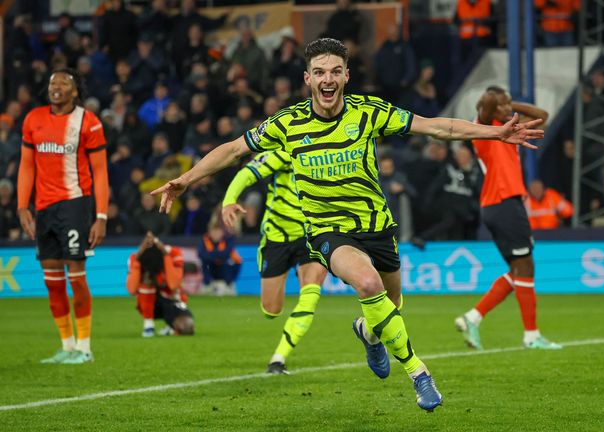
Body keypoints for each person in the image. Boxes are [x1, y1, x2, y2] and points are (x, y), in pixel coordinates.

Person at [152, 38, 543, 411]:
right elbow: (234, 149)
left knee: (391, 307)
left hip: (377, 228)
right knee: (368, 284)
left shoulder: (368, 112)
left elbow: (439, 127)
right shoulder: (287, 124)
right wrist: (186, 180)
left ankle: (369, 332)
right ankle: (419, 373)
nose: (327, 79)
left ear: (345, 76)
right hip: (328, 232)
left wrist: (497, 132)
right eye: (319, 72)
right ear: (307, 79)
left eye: (335, 71)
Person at [454, 86, 561, 351]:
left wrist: (511, 104)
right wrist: (494, 101)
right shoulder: (485, 126)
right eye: (500, 106)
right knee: (525, 267)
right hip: (503, 202)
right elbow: (485, 108)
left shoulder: (507, 127)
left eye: (506, 105)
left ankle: (473, 318)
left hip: (503, 204)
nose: (505, 109)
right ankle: (532, 335)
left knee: (519, 270)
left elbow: (543, 115)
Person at [16, 68, 109, 364]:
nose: (55, 86)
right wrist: (22, 205)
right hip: (43, 208)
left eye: (63, 83)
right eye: (52, 82)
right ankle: (66, 346)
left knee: (77, 277)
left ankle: (84, 347)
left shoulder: (88, 122)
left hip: (74, 205)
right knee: (52, 280)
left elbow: (101, 171)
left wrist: (102, 216)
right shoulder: (33, 119)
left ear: (75, 92)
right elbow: (27, 166)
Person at [221, 151, 328, 374]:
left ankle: (278, 358)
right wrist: (229, 200)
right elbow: (247, 173)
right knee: (271, 310)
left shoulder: (329, 153)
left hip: (311, 235)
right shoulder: (283, 152)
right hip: (276, 237)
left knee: (311, 291)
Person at [127, 232, 194, 337]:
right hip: (150, 302)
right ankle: (148, 325)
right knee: (146, 284)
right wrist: (139, 258)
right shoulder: (136, 258)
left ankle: (171, 325)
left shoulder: (174, 254)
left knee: (186, 327)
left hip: (172, 299)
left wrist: (166, 256)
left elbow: (173, 284)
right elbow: (131, 290)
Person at [198, 224, 242, 295]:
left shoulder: (228, 239)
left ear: (222, 232)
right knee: (205, 263)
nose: (215, 234)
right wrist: (217, 256)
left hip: (225, 267)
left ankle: (228, 285)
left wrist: (212, 254)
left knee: (231, 262)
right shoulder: (205, 239)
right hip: (211, 266)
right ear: (209, 232)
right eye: (213, 232)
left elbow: (226, 254)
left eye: (218, 232)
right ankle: (208, 285)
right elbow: (201, 254)